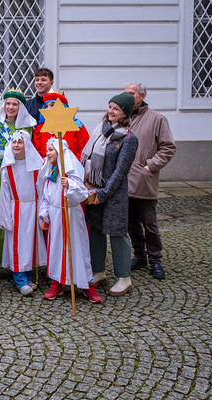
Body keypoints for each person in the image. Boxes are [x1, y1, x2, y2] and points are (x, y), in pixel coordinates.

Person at [81, 92, 139, 297]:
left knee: (117, 234)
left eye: (115, 108)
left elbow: (120, 172)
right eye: (110, 107)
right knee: (95, 231)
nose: (111, 111)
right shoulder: (101, 131)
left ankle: (124, 278)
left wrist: (104, 193)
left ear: (125, 112)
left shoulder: (129, 139)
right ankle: (99, 272)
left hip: (113, 195)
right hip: (94, 189)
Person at [38, 139, 101, 304]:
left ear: (60, 152)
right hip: (55, 216)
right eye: (47, 150)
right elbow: (45, 196)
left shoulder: (70, 172)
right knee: (56, 249)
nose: (48, 153)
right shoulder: (49, 171)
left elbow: (81, 194)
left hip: (72, 215)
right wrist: (44, 215)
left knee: (77, 249)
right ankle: (56, 283)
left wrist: (70, 186)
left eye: (51, 149)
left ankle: (87, 285)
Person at [124, 82, 176, 280]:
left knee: (149, 223)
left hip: (144, 180)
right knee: (131, 223)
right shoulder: (123, 117)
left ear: (142, 95)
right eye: (126, 93)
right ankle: (140, 255)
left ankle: (155, 260)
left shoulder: (157, 118)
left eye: (132, 93)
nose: (128, 96)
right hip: (124, 181)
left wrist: (150, 166)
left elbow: (168, 147)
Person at [0, 88, 36, 267]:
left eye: (15, 104)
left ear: (20, 107)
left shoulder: (28, 127)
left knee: (17, 215)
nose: (11, 107)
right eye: (8, 104)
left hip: (20, 175)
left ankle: (17, 258)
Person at [0, 131, 47, 296]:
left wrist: (43, 212)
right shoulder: (8, 167)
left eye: (20, 142)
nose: (16, 145)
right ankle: (20, 280)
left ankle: (28, 276)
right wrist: (4, 215)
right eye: (14, 142)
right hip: (16, 209)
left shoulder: (37, 166)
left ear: (27, 144)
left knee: (31, 243)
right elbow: (4, 193)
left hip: (33, 208)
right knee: (18, 244)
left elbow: (42, 189)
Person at [32, 92, 90, 160]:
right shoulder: (40, 129)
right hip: (47, 168)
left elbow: (85, 152)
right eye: (46, 106)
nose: (48, 109)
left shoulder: (77, 126)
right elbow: (36, 153)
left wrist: (67, 163)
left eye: (52, 105)